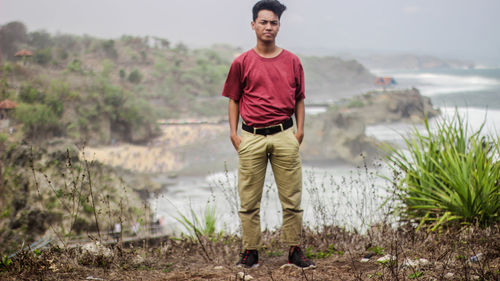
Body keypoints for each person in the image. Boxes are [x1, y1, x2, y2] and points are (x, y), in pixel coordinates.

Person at [221, 0, 315, 269]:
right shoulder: (242, 62)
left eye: (273, 22)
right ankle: (250, 251)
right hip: (251, 137)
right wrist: (233, 133)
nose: (268, 27)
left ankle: (294, 250)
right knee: (249, 199)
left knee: (292, 198)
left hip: (285, 135)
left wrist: (299, 131)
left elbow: (299, 99)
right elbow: (233, 99)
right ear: (253, 25)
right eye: (263, 22)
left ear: (279, 26)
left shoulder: (292, 61)